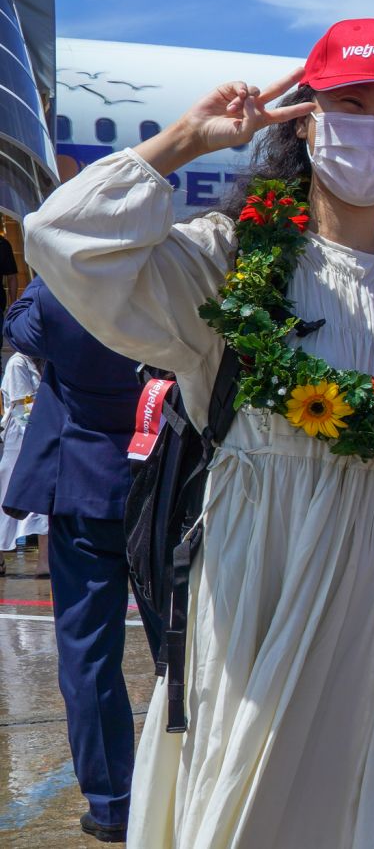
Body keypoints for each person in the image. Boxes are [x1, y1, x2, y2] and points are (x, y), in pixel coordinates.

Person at [22, 18, 374, 848]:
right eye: (352, 103)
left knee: (361, 800)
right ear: (304, 116)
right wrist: (185, 141)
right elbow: (65, 242)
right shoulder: (230, 258)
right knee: (246, 790)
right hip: (255, 561)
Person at [0, 279, 151, 842]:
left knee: (87, 655)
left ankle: (112, 805)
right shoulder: (173, 278)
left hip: (83, 486)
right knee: (181, 653)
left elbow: (16, 325)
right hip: (162, 486)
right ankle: (187, 787)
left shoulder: (60, 289)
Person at [0, 348, 45, 575]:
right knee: (7, 497)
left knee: (44, 504)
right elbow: (22, 408)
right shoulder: (18, 363)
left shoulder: (50, 361)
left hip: (41, 436)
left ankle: (45, 561)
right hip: (20, 438)